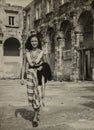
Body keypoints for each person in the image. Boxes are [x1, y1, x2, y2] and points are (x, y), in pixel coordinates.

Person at [25, 34, 51, 127]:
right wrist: (22, 78)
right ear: (30, 42)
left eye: (35, 41)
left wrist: (41, 67)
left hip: (39, 76)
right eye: (32, 41)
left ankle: (35, 117)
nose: (34, 43)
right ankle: (35, 111)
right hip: (30, 75)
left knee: (38, 96)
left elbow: (47, 64)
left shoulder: (42, 52)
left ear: (38, 42)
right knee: (31, 96)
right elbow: (25, 65)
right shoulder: (27, 52)